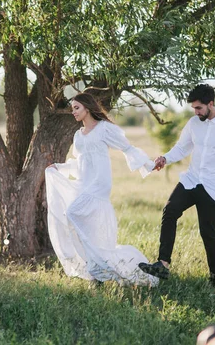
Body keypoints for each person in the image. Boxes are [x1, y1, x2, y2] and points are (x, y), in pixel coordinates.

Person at [139, 84, 215, 288]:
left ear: (211, 103)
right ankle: (163, 263)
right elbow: (182, 147)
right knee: (170, 210)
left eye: (199, 108)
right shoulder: (193, 123)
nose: (196, 112)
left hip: (214, 187)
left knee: (207, 232)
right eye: (193, 109)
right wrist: (165, 158)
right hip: (191, 179)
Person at [45, 92, 158, 286]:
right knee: (86, 229)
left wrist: (148, 164)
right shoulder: (78, 136)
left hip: (99, 184)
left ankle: (100, 266)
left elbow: (127, 148)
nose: (73, 112)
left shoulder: (104, 129)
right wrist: (59, 167)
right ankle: (96, 271)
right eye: (72, 109)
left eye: (77, 108)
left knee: (71, 213)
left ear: (87, 108)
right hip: (84, 183)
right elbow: (77, 163)